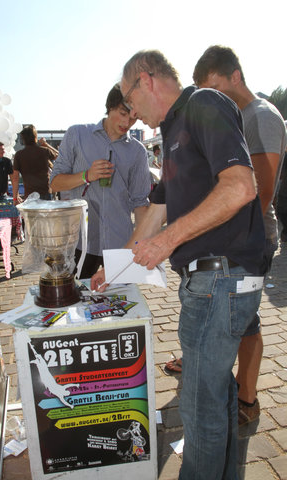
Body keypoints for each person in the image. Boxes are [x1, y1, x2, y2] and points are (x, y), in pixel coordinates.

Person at [91, 50, 267, 480]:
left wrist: (169, 241)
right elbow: (155, 212)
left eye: (132, 101)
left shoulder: (203, 104)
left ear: (146, 80)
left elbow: (241, 186)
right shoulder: (172, 130)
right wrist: (113, 268)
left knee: (199, 408)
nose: (134, 114)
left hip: (221, 279)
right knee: (216, 397)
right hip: (209, 283)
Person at [165, 46, 287, 426]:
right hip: (237, 236)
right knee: (240, 321)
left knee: (247, 324)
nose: (211, 97)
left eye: (215, 87)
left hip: (253, 237)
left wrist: (218, 230)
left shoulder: (260, 116)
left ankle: (246, 399)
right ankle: (220, 376)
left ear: (236, 76)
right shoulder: (233, 113)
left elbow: (261, 190)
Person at [50, 83, 151, 278]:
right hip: (81, 241)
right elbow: (55, 182)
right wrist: (85, 175)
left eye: (133, 118)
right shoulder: (77, 134)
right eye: (123, 113)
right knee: (76, 300)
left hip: (120, 242)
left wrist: (142, 244)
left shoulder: (138, 151)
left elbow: (140, 202)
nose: (127, 123)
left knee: (121, 302)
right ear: (110, 107)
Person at [13, 125, 58, 203]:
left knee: (31, 215)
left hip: (29, 194)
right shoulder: (45, 151)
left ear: (23, 139)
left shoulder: (19, 155)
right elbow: (59, 156)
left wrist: (15, 198)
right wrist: (46, 144)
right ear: (35, 137)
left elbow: (15, 178)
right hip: (45, 192)